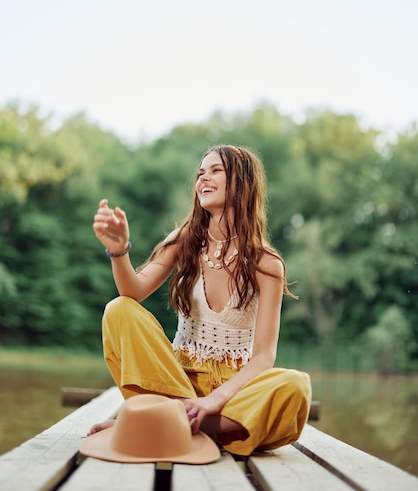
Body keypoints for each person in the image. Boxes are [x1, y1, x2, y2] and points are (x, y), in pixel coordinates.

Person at [88, 144, 311, 455]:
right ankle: (181, 417)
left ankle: (162, 421)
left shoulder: (266, 263)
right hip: (174, 380)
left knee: (295, 385)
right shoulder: (184, 240)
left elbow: (263, 357)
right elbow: (133, 291)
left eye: (216, 170)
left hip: (232, 391)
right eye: (200, 173)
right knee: (118, 310)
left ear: (242, 183)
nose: (204, 178)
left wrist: (214, 400)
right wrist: (118, 251)